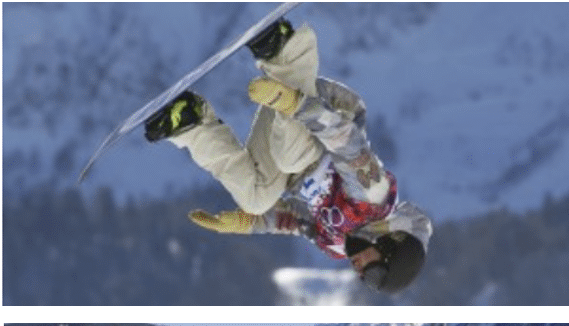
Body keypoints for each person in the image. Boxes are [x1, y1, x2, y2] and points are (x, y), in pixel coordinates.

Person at [143, 18, 432, 294]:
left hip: (288, 132)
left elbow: (295, 221)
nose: (360, 274)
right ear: (389, 246)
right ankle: (286, 52)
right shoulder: (373, 199)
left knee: (256, 200)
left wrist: (248, 223)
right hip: (324, 110)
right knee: (290, 158)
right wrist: (296, 105)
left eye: (365, 281)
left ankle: (190, 121)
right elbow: (347, 142)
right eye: (373, 274)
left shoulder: (335, 245)